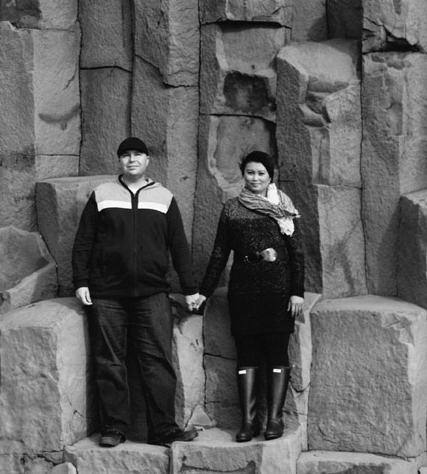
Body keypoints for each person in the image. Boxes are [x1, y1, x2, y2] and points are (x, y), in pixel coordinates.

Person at [72, 136, 203, 448]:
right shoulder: (102, 195)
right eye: (126, 155)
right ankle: (114, 428)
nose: (131, 160)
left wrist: (190, 289)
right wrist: (81, 282)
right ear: (119, 161)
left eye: (137, 155)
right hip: (107, 294)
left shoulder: (164, 197)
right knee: (109, 362)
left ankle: (164, 430)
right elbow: (83, 242)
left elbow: (179, 247)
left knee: (158, 362)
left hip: (153, 293)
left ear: (148, 161)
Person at [193, 151, 304, 442]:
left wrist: (297, 292)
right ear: (244, 175)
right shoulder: (231, 209)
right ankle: (249, 421)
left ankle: (275, 420)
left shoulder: (282, 207)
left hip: (278, 291)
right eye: (250, 173)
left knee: (277, 353)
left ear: (271, 176)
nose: (255, 178)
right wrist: (203, 292)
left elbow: (297, 254)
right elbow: (219, 253)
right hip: (243, 291)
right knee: (247, 356)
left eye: (261, 174)